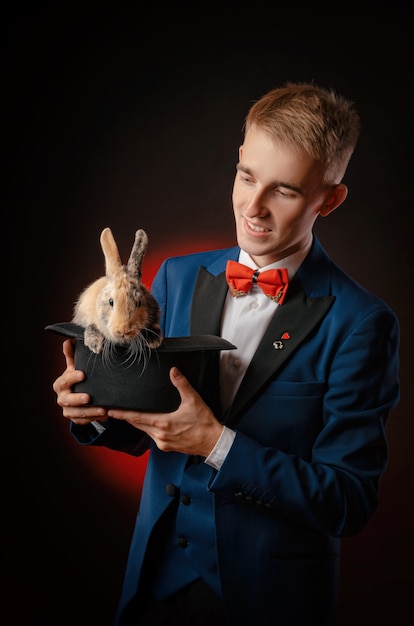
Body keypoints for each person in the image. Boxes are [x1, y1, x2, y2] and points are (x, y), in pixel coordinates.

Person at [52, 82, 400, 626]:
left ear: (328, 199)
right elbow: (147, 421)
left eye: (283, 191)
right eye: (246, 177)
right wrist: (93, 411)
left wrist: (218, 445)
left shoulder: (361, 323)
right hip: (153, 588)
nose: (253, 208)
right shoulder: (177, 275)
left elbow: (348, 501)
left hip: (269, 601)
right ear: (237, 160)